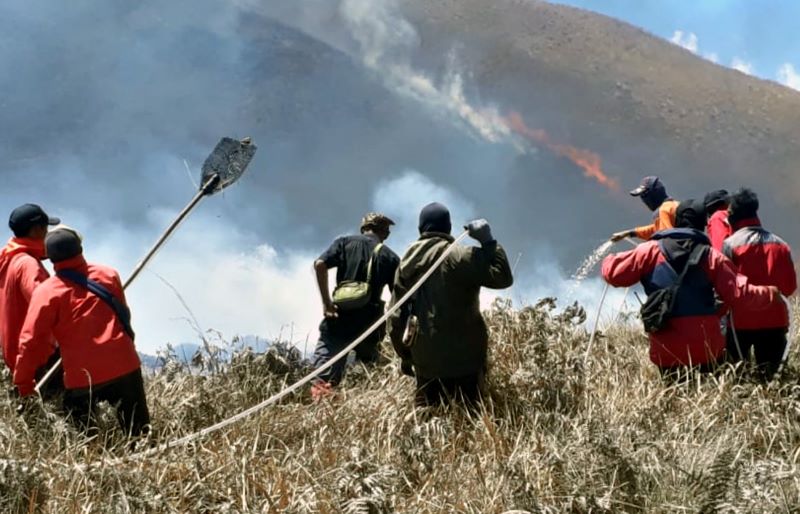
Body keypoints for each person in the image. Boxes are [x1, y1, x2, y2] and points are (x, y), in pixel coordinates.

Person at [602, 199, 781, 376]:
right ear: (703, 226)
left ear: (677, 221)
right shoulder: (712, 257)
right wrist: (770, 294)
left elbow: (613, 275)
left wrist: (610, 259)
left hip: (666, 352)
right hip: (707, 349)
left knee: (673, 395)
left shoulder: (648, 251)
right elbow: (740, 294)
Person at [14, 227, 150, 437]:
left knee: (85, 437)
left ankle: (94, 463)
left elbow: (31, 342)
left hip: (82, 376)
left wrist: (24, 384)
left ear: (49, 257)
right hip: (125, 363)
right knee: (140, 433)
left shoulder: (46, 293)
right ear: (80, 247)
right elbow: (124, 315)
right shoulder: (109, 274)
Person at [388, 203, 513, 408]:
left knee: (428, 423)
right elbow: (503, 277)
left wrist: (407, 357)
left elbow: (395, 317)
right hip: (466, 362)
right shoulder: (459, 256)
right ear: (448, 228)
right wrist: (489, 242)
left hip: (425, 362)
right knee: (469, 422)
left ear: (421, 229)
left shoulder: (405, 263)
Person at [310, 212, 400, 400]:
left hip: (337, 319)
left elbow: (319, 264)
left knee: (323, 379)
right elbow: (397, 297)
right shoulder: (390, 257)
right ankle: (363, 411)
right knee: (370, 376)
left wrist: (327, 303)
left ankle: (322, 415)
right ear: (382, 231)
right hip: (369, 324)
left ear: (364, 227)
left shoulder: (343, 243)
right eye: (387, 230)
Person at [722, 188, 797, 380]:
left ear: (735, 216)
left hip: (740, 324)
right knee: (773, 379)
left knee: (738, 378)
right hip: (776, 322)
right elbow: (789, 288)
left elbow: (726, 287)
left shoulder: (730, 245)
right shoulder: (781, 244)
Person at [0, 204, 61, 392]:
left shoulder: (8, 258)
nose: (47, 233)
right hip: (36, 356)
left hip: (16, 353)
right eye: (45, 228)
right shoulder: (28, 264)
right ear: (35, 230)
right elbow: (45, 307)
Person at [611, 176, 679, 242]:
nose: (643, 200)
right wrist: (629, 233)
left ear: (654, 194)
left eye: (644, 195)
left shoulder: (663, 211)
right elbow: (656, 229)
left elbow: (666, 239)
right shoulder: (675, 205)